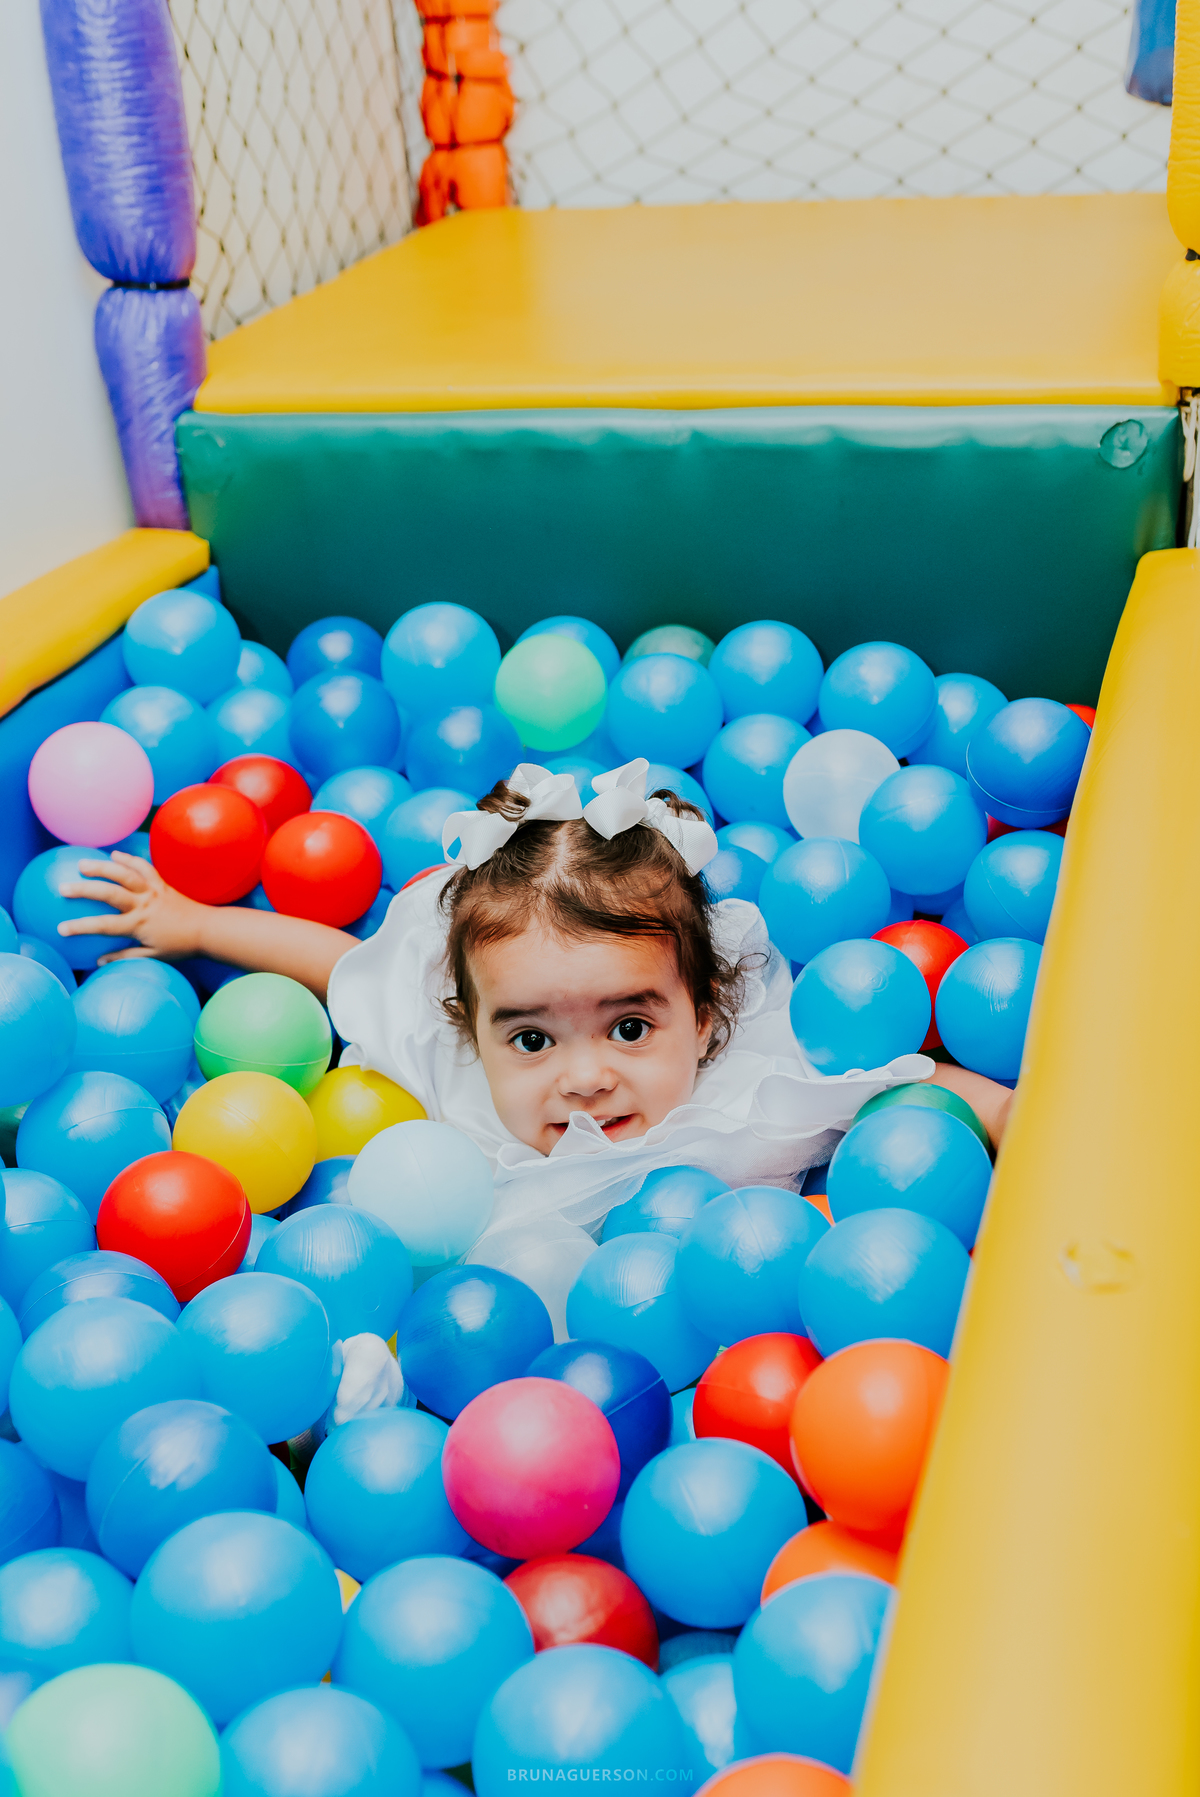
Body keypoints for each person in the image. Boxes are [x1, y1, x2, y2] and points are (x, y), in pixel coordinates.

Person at [57, 759, 1011, 1263]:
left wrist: (1012, 1113)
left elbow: (899, 1084)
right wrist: (195, 923)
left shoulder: (753, 1092)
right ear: (468, 1027)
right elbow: (344, 968)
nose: (585, 1074)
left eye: (631, 1026)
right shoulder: (450, 1094)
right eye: (530, 1037)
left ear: (706, 1013)